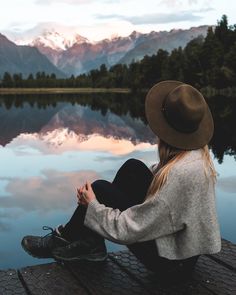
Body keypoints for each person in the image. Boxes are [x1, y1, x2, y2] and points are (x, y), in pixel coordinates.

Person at [21, 80, 221, 282]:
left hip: (170, 263)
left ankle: (66, 240)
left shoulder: (179, 175)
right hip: (183, 253)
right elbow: (161, 189)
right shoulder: (195, 156)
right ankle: (89, 243)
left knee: (98, 189)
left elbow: (129, 229)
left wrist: (93, 206)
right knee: (132, 168)